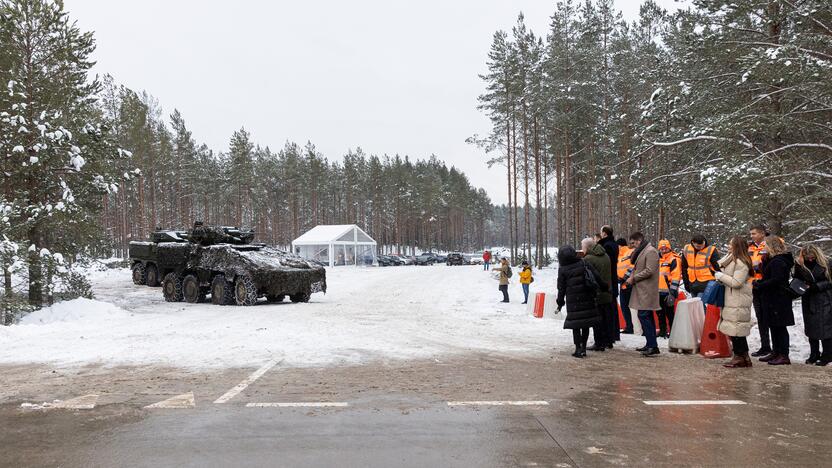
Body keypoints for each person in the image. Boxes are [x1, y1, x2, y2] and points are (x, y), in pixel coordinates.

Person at [556, 245, 606, 358]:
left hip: (573, 301)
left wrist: (560, 302)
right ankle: (583, 348)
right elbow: (596, 276)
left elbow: (561, 288)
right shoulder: (583, 263)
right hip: (587, 297)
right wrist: (605, 287)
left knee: (576, 325)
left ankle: (578, 348)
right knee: (585, 324)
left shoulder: (563, 269)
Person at [752, 236, 794, 365]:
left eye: (765, 246)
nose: (763, 248)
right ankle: (776, 351)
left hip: (778, 298)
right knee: (773, 326)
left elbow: (777, 279)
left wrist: (761, 285)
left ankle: (784, 354)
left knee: (780, 327)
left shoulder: (779, 261)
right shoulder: (772, 260)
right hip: (771, 298)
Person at [714, 236, 755, 368]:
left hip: (738, 298)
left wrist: (720, 276)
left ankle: (739, 357)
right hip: (732, 297)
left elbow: (736, 282)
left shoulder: (741, 262)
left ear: (737, 246)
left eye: (731, 244)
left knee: (736, 330)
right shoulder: (733, 259)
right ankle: (744, 357)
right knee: (736, 329)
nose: (728, 246)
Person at [794, 245, 832, 366]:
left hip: (824, 298)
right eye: (807, 257)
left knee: (825, 328)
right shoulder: (801, 264)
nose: (810, 260)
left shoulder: (827, 263)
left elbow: (830, 281)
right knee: (811, 328)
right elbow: (796, 279)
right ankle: (814, 354)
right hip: (809, 298)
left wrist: (816, 286)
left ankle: (827, 355)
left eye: (812, 257)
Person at [625, 232, 661, 356]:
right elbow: (638, 268)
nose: (632, 245)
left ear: (639, 240)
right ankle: (650, 344)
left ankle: (652, 346)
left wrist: (634, 278)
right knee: (645, 316)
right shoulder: (643, 250)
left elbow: (649, 270)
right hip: (641, 289)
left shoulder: (650, 251)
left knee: (644, 316)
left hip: (647, 290)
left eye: (633, 243)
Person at [582, 237, 612, 351]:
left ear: (588, 247)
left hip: (597, 294)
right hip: (607, 292)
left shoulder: (588, 259)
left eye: (583, 247)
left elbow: (588, 277)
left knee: (597, 320)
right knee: (606, 319)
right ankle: (608, 341)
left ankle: (599, 343)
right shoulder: (606, 256)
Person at [748, 225, 771, 357]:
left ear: (762, 233)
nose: (752, 236)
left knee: (769, 317)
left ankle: (776, 348)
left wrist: (757, 266)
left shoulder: (771, 244)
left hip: (766, 284)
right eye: (751, 234)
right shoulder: (749, 246)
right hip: (754, 285)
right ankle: (765, 346)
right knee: (760, 317)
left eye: (754, 233)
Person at [599, 226, 620, 345]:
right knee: (612, 309)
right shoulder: (614, 244)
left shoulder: (607, 246)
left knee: (608, 309)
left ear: (605, 233)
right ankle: (613, 334)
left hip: (608, 280)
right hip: (612, 279)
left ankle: (609, 336)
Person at [657, 240, 682, 338]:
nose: (663, 249)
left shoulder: (674, 259)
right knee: (659, 313)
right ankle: (662, 331)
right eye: (661, 248)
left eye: (665, 247)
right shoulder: (657, 259)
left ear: (669, 247)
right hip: (658, 291)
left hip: (668, 292)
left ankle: (673, 332)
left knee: (670, 313)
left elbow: (676, 276)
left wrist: (672, 292)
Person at [616, 238, 635, 334]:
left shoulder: (630, 252)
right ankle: (629, 326)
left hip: (630, 283)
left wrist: (624, 277)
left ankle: (634, 326)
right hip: (622, 285)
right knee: (624, 306)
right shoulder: (619, 256)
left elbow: (633, 266)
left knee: (632, 307)